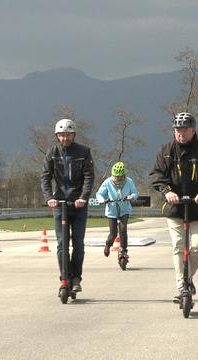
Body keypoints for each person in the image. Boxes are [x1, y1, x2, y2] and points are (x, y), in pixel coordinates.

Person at [150, 112, 198, 302]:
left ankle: (187, 277)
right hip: (175, 208)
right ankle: (182, 285)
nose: (180, 133)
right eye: (177, 130)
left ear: (193, 130)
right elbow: (157, 175)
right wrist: (166, 192)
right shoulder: (166, 150)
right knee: (178, 246)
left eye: (184, 130)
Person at [41, 119, 95, 292]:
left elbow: (89, 176)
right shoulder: (52, 153)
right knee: (62, 243)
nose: (65, 138)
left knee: (78, 243)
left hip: (78, 204)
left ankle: (76, 278)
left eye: (68, 135)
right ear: (57, 136)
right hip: (60, 204)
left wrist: (83, 197)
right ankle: (65, 277)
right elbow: (45, 177)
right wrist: (50, 197)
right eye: (62, 135)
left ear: (74, 135)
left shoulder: (83, 152)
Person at [96, 161, 139, 260]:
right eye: (115, 177)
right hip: (112, 210)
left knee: (123, 230)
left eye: (120, 177)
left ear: (124, 175)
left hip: (124, 209)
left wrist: (131, 196)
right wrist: (102, 200)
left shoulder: (129, 181)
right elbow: (99, 194)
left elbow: (135, 193)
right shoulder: (107, 182)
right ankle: (108, 245)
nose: (117, 179)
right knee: (113, 233)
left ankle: (123, 249)